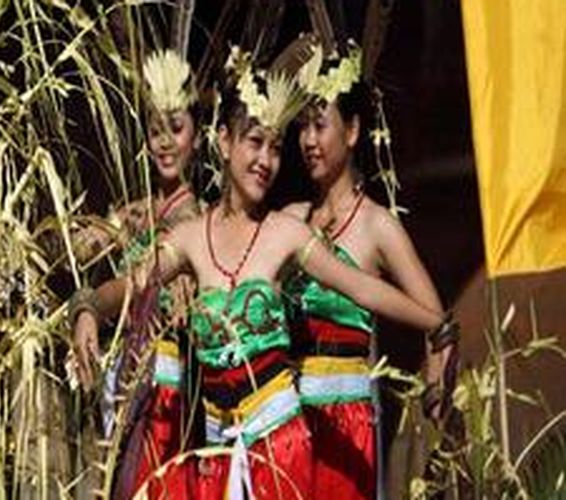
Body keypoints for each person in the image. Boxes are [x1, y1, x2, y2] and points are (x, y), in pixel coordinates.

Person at [71, 45, 450, 499]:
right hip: (217, 453)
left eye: (275, 148)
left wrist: (436, 323)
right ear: (224, 142)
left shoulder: (285, 232)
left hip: (281, 450)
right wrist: (88, 307)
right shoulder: (191, 237)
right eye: (254, 142)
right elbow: (133, 284)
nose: (266, 160)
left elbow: (363, 289)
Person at [282, 41, 457, 498]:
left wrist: (433, 402)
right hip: (286, 423)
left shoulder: (377, 226)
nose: (308, 141)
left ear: (353, 130)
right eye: (302, 127)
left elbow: (438, 324)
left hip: (347, 425)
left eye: (320, 125)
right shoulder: (292, 219)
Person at [68, 48, 206, 498]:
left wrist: (90, 305)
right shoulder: (132, 216)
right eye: (156, 130)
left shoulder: (200, 225)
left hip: (166, 396)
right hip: (123, 384)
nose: (165, 142)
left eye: (177, 128)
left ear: (198, 138)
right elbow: (72, 248)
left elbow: (138, 287)